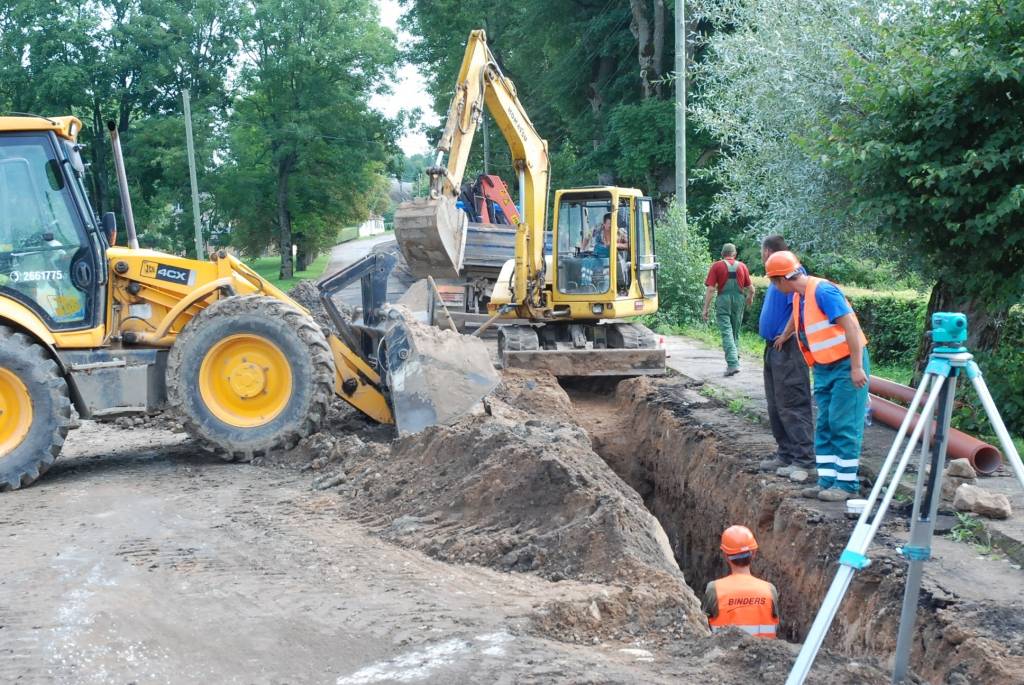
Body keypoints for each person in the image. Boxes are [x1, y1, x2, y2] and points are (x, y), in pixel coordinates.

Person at [765, 251, 871, 502]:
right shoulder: (799, 296)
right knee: (825, 424)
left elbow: (851, 326)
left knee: (843, 424)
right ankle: (826, 480)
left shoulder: (823, 291)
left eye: (773, 282)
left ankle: (846, 484)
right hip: (824, 367)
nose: (774, 287)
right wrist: (786, 334)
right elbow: (798, 320)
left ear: (781, 279)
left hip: (846, 365)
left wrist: (857, 367)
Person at [757, 236, 815, 482]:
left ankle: (804, 460)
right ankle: (786, 453)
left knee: (792, 402)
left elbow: (799, 306)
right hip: (774, 347)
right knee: (776, 404)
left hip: (788, 349)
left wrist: (787, 333)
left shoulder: (792, 274)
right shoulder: (778, 275)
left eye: (762, 253)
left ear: (768, 251)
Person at [702, 525, 780, 638]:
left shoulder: (714, 589)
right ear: (754, 553)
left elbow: (701, 626)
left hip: (724, 649)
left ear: (725, 556)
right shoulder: (769, 590)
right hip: (765, 649)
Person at [702, 243, 755, 376]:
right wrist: (749, 298)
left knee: (727, 331)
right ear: (734, 254)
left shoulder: (716, 266)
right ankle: (735, 358)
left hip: (723, 300)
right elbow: (751, 289)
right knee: (735, 332)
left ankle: (732, 364)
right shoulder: (742, 266)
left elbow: (711, 289)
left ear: (722, 254)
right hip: (738, 300)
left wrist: (705, 308)